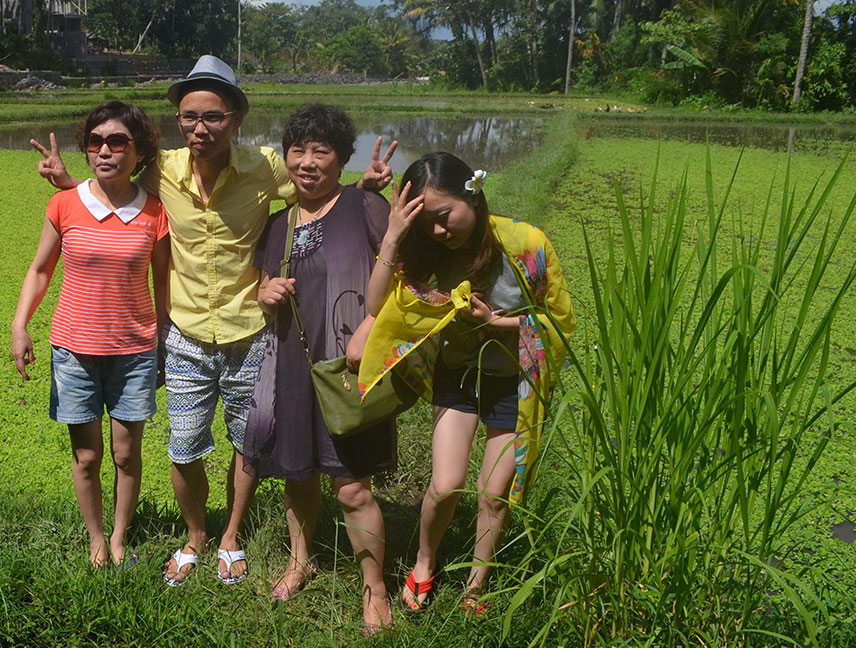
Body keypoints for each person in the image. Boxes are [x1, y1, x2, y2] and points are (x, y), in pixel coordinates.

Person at [32, 56, 397, 587]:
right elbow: (112, 189)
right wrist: (68, 182)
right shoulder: (160, 169)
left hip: (251, 331)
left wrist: (363, 186)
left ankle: (231, 535)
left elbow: (318, 191)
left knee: (248, 444)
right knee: (183, 447)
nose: (199, 127)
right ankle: (195, 536)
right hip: (184, 335)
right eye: (189, 116)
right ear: (179, 120)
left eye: (213, 116)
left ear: (237, 119)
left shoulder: (266, 167)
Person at [361, 152, 575, 612]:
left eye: (444, 216)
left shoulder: (526, 242)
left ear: (472, 195)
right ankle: (424, 561)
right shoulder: (431, 252)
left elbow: (559, 322)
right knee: (446, 485)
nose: (440, 231)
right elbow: (378, 305)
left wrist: (495, 322)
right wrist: (395, 234)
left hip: (513, 380)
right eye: (427, 224)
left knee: (495, 493)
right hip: (458, 374)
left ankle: (476, 584)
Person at [244, 105, 396, 633]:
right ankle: (299, 561)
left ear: (341, 158)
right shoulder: (279, 222)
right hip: (290, 365)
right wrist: (264, 292)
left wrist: (372, 323)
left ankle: (375, 587)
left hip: (346, 368)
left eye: (321, 151)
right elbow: (263, 286)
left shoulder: (364, 205)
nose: (307, 163)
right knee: (297, 475)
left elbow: (402, 275)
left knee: (351, 487)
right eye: (298, 151)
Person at [11, 101, 169, 569]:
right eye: (95, 141)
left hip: (135, 351)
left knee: (126, 454)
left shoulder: (155, 212)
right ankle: (96, 539)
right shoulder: (64, 203)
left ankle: (119, 537)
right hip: (73, 350)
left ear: (139, 152)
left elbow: (163, 285)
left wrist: (164, 344)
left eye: (117, 142)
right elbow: (41, 270)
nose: (104, 151)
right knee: (86, 455)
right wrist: (20, 324)